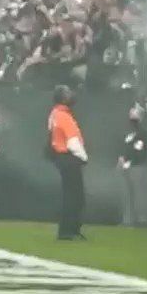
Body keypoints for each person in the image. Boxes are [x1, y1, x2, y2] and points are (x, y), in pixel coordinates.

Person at [48, 84, 88, 240]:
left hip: (61, 158)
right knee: (75, 197)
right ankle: (69, 231)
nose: (71, 95)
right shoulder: (63, 116)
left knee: (71, 195)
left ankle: (69, 230)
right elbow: (72, 140)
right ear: (63, 98)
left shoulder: (55, 114)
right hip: (69, 157)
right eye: (68, 93)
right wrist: (83, 157)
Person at [117, 107, 147, 227]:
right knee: (126, 194)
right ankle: (127, 220)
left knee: (138, 193)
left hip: (137, 167)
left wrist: (127, 161)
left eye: (134, 116)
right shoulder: (127, 132)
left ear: (140, 118)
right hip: (125, 167)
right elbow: (124, 147)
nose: (131, 119)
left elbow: (139, 150)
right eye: (130, 116)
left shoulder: (143, 133)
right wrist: (121, 158)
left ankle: (142, 220)